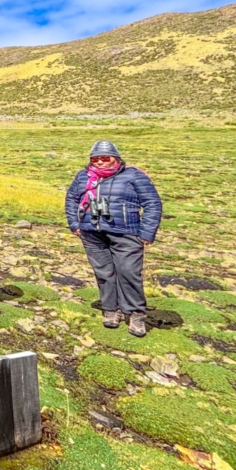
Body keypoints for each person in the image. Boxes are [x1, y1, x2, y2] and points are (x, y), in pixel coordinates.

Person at [65, 141, 162, 338]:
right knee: (103, 272)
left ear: (116, 158)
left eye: (105, 158)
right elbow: (71, 199)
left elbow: (152, 203)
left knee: (129, 272)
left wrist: (146, 232)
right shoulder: (83, 176)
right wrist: (75, 224)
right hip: (91, 232)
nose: (100, 162)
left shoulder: (133, 175)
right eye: (95, 159)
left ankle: (135, 313)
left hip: (126, 232)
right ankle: (111, 309)